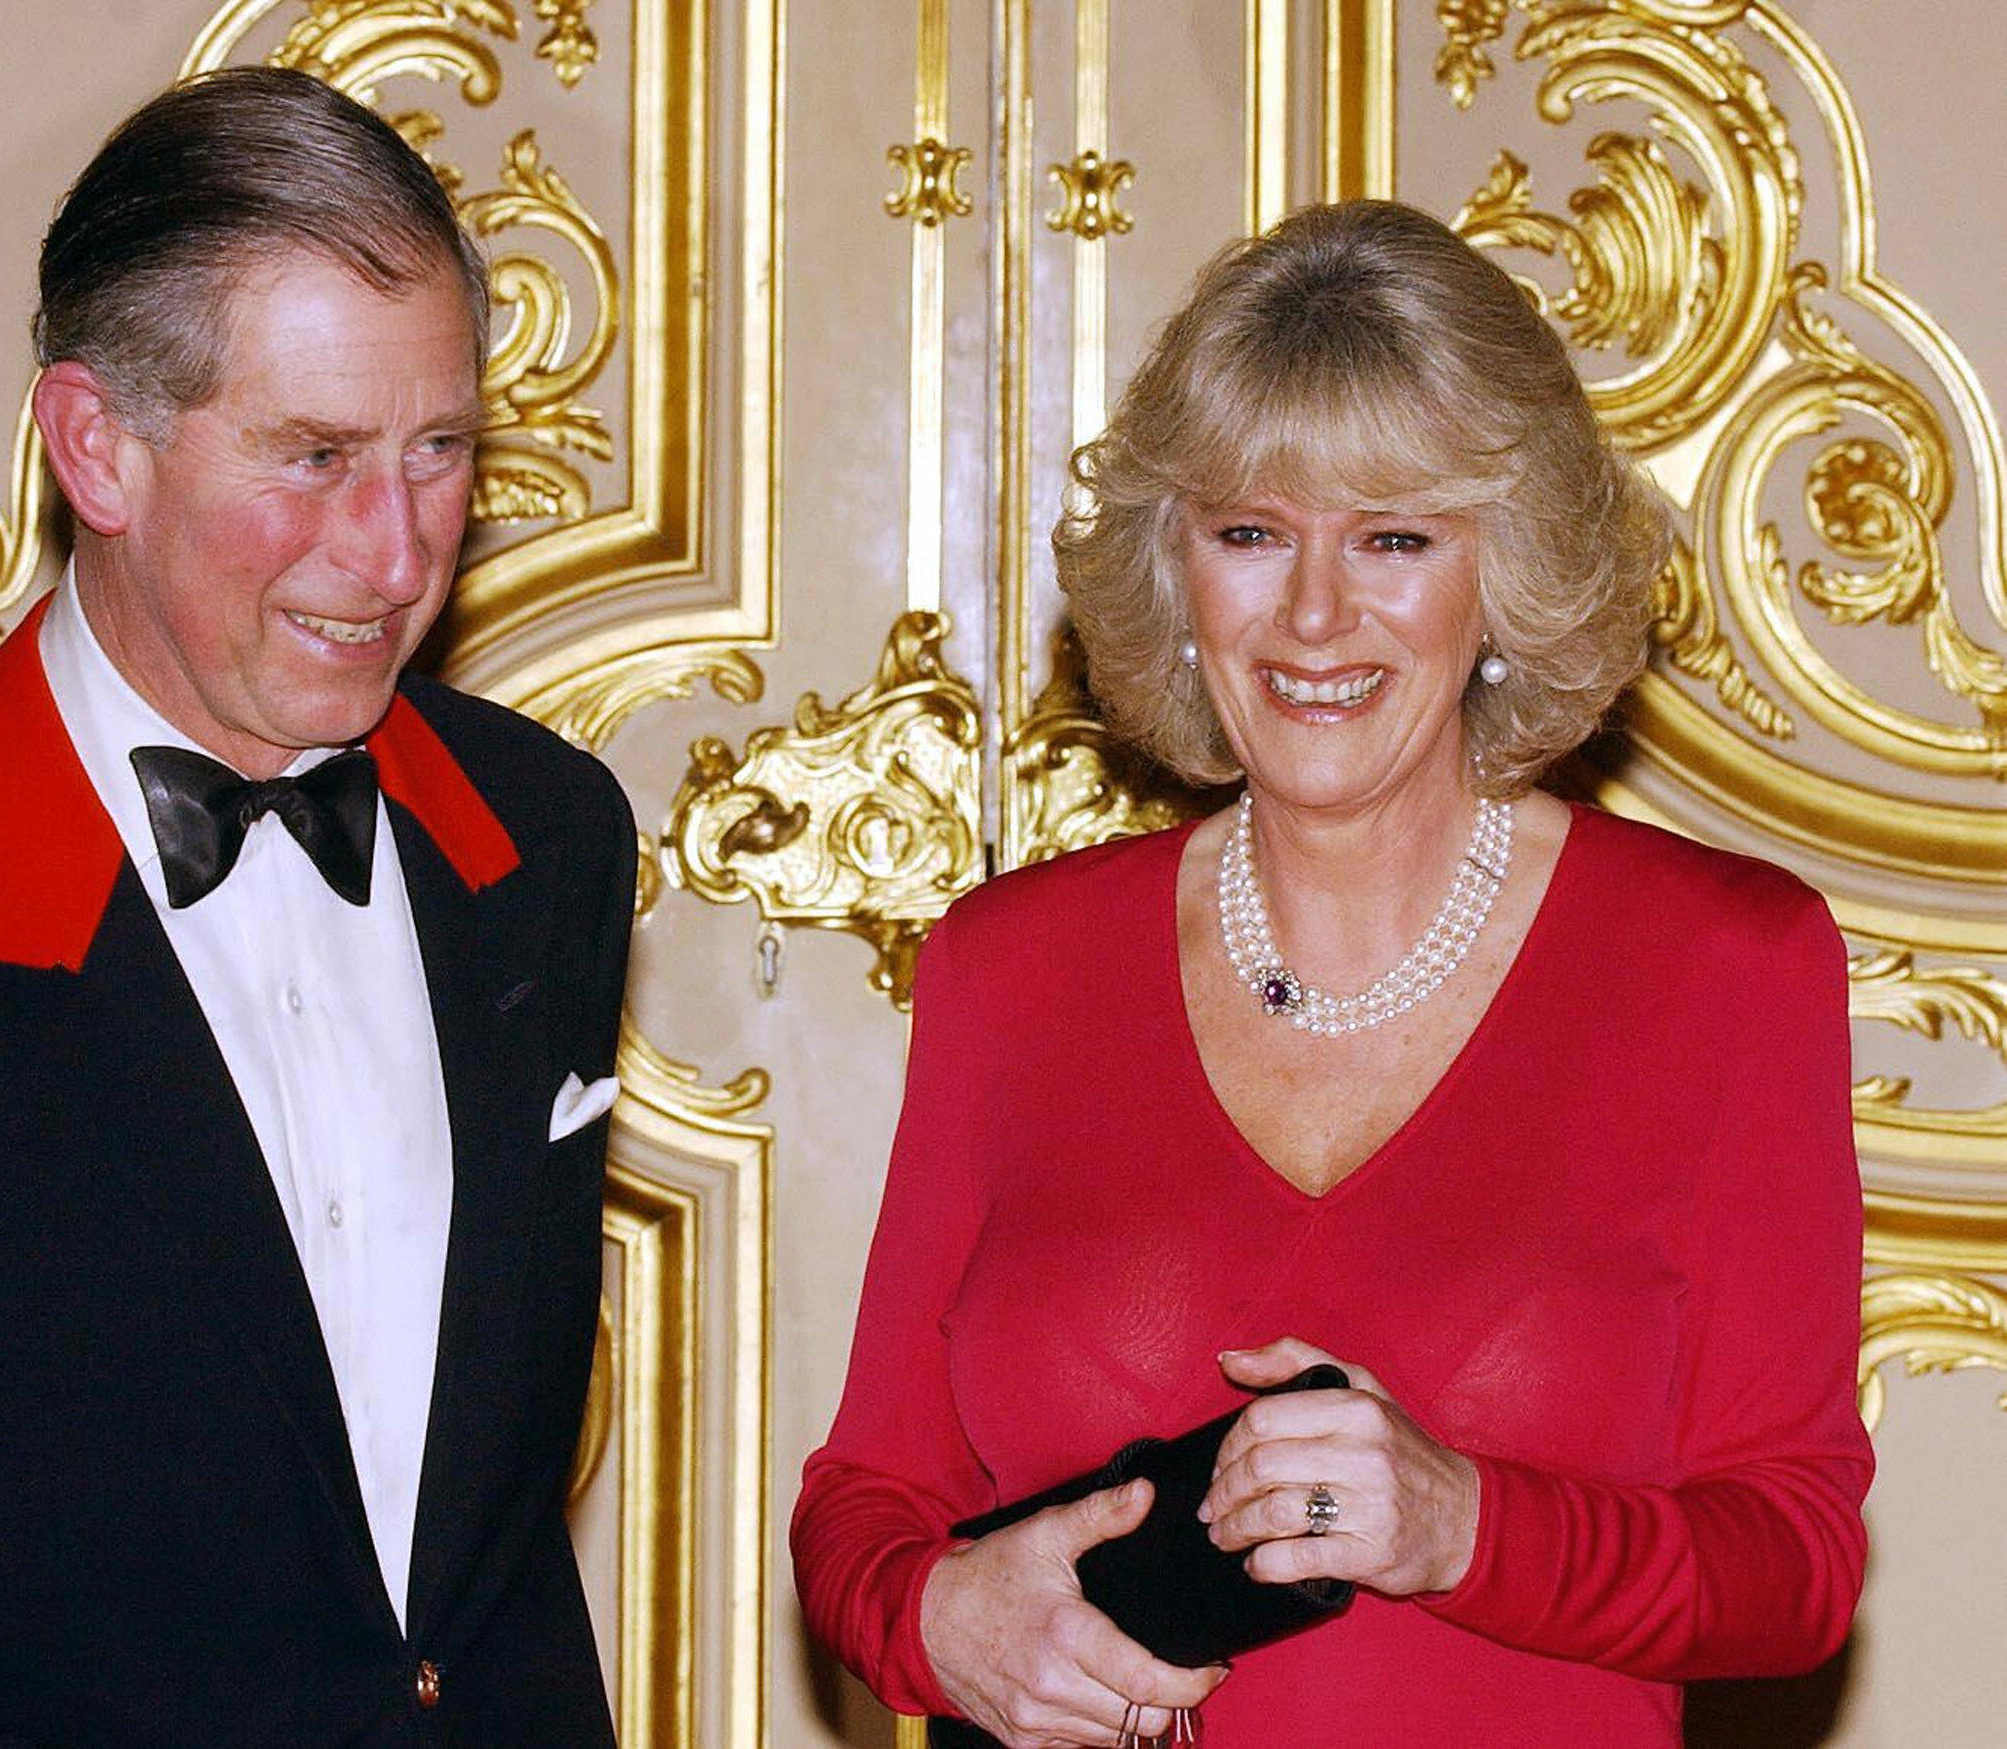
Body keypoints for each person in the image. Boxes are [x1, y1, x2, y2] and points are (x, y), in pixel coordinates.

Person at [0, 67, 632, 1746]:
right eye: (314, 458)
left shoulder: (547, 842)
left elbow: (470, 1534)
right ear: (98, 444)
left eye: (440, 451)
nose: (396, 553)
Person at [791, 199, 1870, 1747]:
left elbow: (1800, 1562)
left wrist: (1467, 1525)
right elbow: (866, 1500)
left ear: (1506, 571)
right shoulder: (1009, 968)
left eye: (1394, 537)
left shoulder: (1725, 965)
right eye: (1251, 534)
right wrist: (930, 1618)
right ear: (1178, 565)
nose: (1312, 614)